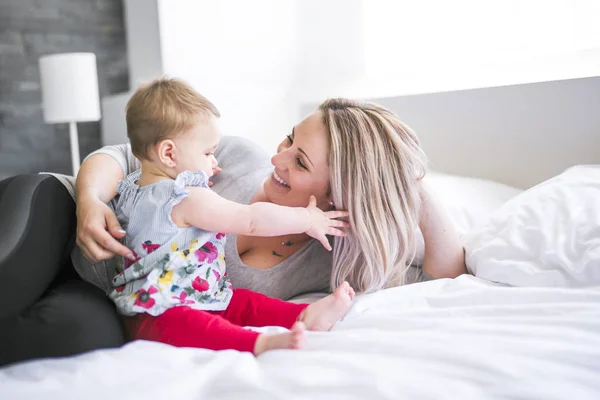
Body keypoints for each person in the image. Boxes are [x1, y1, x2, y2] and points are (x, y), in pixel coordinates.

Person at [73, 82, 466, 307]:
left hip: (109, 299)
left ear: (339, 195)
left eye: (301, 163)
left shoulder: (330, 257)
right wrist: (89, 200)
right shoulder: (235, 156)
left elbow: (446, 274)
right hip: (63, 219)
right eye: (290, 139)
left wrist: (416, 187)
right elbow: (122, 155)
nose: (277, 157)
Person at [108, 78, 355, 355]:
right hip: (154, 311)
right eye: (207, 153)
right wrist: (308, 219)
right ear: (168, 154)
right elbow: (251, 219)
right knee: (191, 324)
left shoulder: (133, 189)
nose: (215, 162)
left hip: (197, 293)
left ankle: (305, 314)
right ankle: (260, 343)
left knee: (242, 302)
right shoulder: (186, 197)